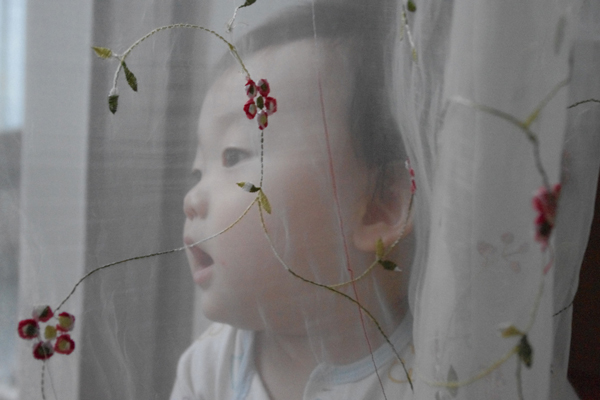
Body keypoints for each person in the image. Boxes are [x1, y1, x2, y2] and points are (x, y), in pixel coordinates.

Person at [171, 3, 416, 399]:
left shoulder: (434, 374)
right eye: (198, 171)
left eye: (233, 156)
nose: (191, 199)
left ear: (379, 206)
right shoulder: (207, 369)